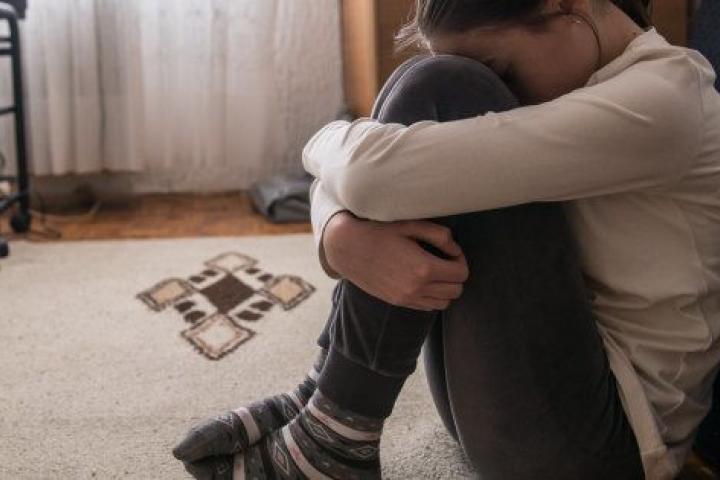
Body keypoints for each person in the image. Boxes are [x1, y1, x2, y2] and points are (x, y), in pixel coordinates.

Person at [172, 0, 720, 478]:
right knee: (422, 85)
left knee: (446, 89)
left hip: (603, 448)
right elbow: (372, 172)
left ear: (566, 4)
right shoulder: (589, 85)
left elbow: (369, 175)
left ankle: (334, 425)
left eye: (500, 68)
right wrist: (338, 231)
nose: (500, 92)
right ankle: (327, 406)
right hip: (506, 407)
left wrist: (331, 194)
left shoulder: (662, 104)